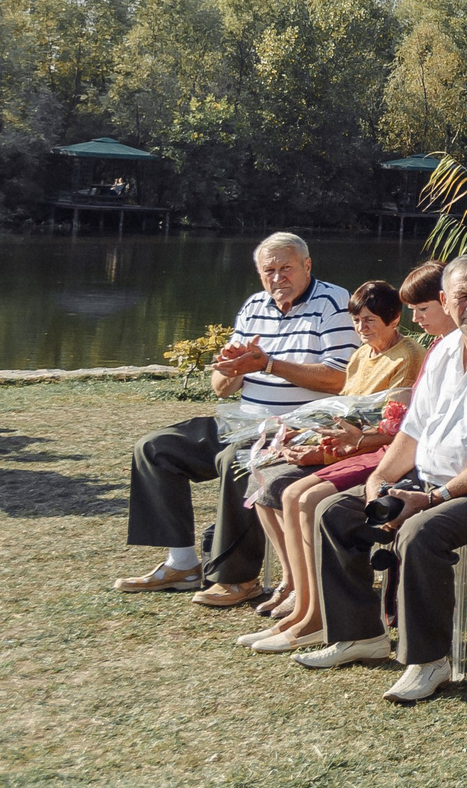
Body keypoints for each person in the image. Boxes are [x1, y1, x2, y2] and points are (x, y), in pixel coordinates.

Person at [300, 255, 467, 702]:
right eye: (462, 296)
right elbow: (414, 429)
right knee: (334, 512)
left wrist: (434, 497)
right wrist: (380, 477)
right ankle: (361, 635)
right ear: (445, 300)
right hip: (433, 479)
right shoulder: (443, 350)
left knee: (421, 532)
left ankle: (429, 660)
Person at [118, 232, 358, 608]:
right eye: (269, 271)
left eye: (286, 269)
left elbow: (340, 378)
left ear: (307, 266)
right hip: (245, 418)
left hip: (298, 426)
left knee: (239, 461)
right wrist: (232, 367)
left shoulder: (334, 302)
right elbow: (221, 389)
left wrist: (269, 364)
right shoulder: (254, 306)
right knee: (154, 448)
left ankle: (237, 578)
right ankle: (182, 563)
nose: (277, 278)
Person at [240, 280, 426, 652]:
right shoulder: (360, 356)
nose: (361, 327)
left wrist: (324, 452)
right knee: (262, 476)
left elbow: (388, 428)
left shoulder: (408, 357)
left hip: (370, 453)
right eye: (356, 320)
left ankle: (314, 608)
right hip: (345, 444)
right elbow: (343, 410)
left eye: (370, 319)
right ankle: (299, 593)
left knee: (294, 493)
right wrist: (304, 437)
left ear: (394, 318)